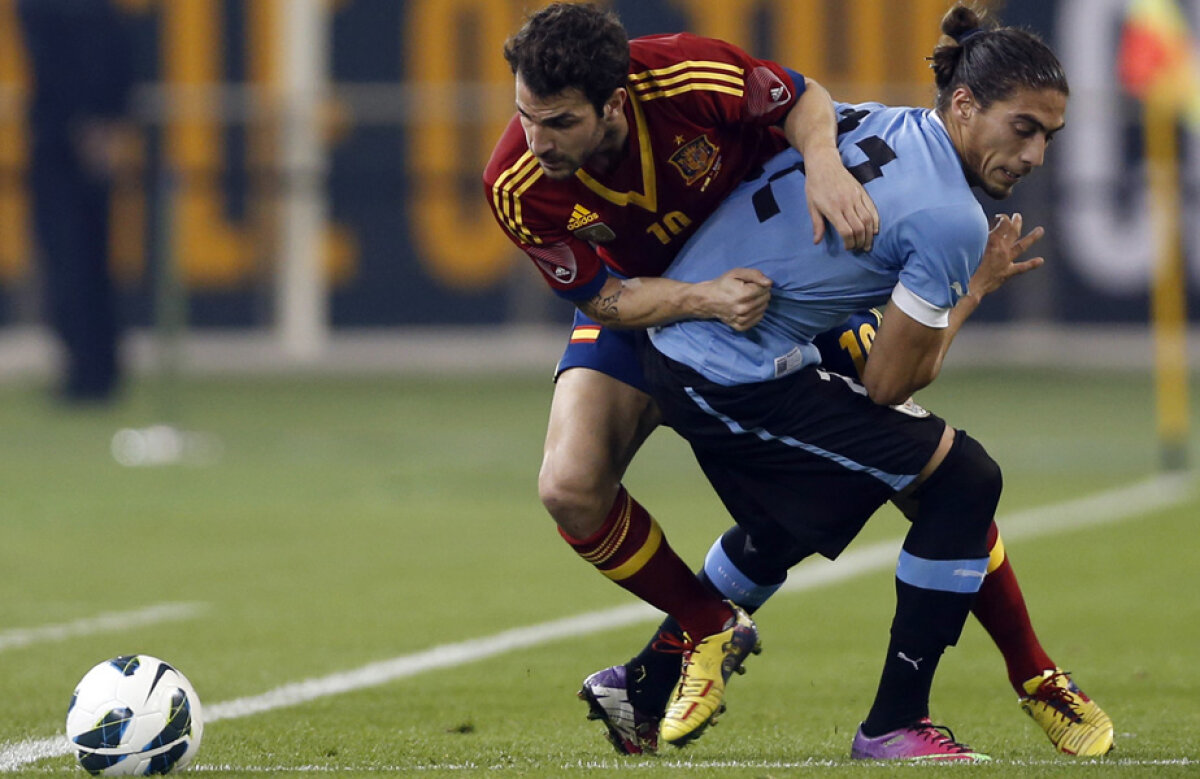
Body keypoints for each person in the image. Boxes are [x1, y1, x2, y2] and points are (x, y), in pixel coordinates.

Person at [629, 4, 1091, 761]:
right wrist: (974, 289)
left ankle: (642, 684)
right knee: (961, 480)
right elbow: (889, 384)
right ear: (965, 105)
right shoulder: (952, 220)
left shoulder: (883, 119)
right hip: (724, 371)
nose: (1036, 154)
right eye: (1024, 128)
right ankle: (894, 724)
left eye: (1049, 136)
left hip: (696, 336)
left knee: (796, 520)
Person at [484, 2, 879, 748]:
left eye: (559, 122)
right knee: (569, 487)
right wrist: (703, 298)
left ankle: (997, 682)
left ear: (614, 102)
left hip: (782, 285)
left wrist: (825, 168)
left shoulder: (686, 73)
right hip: (657, 301)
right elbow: (602, 297)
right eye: (525, 116)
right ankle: (707, 624)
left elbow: (803, 99)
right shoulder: (516, 182)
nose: (537, 141)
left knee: (893, 461)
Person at [18, 0, 135, 403]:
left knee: (73, 261)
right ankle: (93, 368)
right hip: (69, 134)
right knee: (84, 260)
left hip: (66, 139)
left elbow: (94, 55)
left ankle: (88, 371)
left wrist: (98, 120)